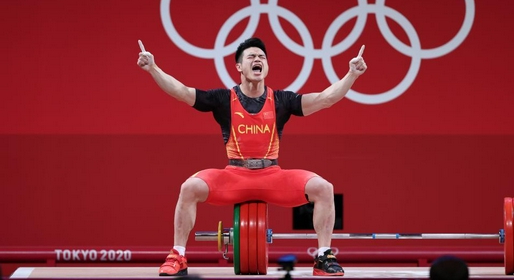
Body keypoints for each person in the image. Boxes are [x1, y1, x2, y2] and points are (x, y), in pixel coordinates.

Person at [137, 37, 367, 277]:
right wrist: (153, 68)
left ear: (266, 67)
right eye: (251, 57)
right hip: (235, 177)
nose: (258, 60)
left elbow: (325, 99)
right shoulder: (223, 99)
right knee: (189, 187)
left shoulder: (281, 101)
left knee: (324, 188)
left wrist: (352, 75)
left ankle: (323, 257)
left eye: (262, 57)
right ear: (239, 67)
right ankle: (178, 255)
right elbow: (182, 92)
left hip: (272, 177)